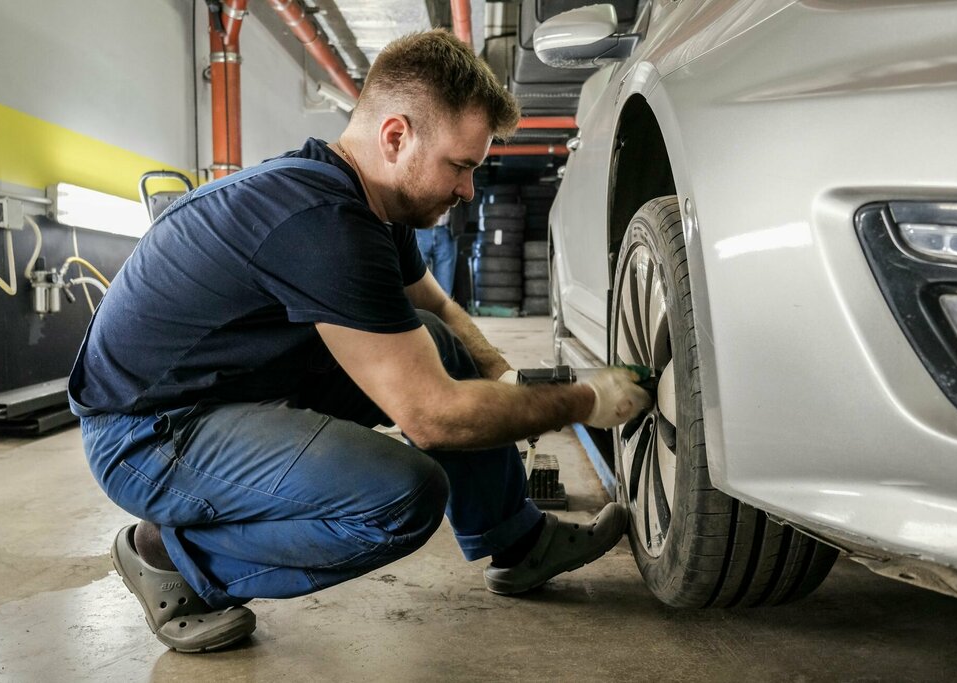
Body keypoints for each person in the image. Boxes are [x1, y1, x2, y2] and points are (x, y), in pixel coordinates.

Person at [68, 29, 650, 654]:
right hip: (146, 434)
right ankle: (169, 557)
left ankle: (517, 541)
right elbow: (433, 419)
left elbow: (439, 307)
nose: (467, 192)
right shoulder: (324, 224)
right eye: (461, 166)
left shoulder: (366, 199)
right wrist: (584, 401)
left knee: (436, 343)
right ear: (396, 136)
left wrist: (502, 376)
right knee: (401, 495)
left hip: (224, 386)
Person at [415, 208, 457, 296]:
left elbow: (467, 201)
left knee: (444, 293)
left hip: (447, 231)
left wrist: (460, 223)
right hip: (418, 230)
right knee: (415, 288)